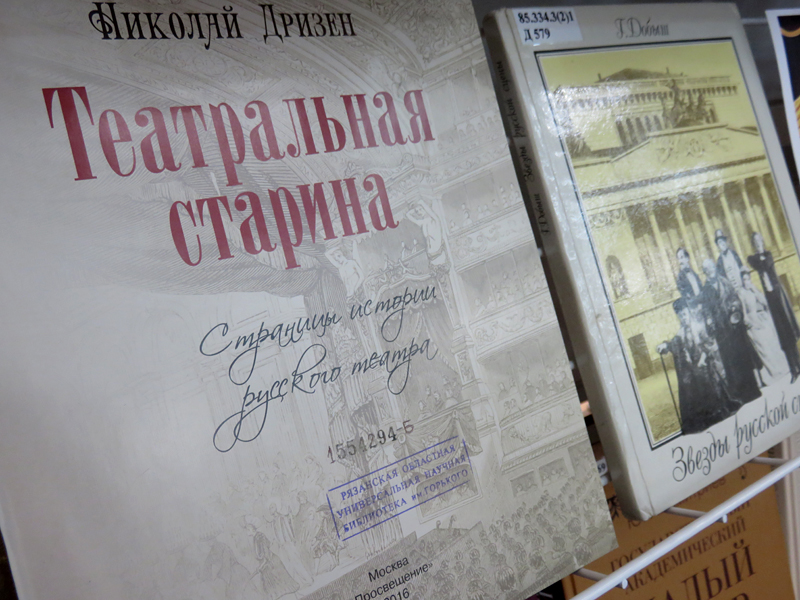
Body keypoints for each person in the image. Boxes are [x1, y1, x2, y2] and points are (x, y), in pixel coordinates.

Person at [657, 298, 732, 434]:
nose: (683, 318)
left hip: (705, 367)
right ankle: (704, 419)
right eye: (680, 316)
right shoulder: (681, 332)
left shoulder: (698, 327)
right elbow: (675, 344)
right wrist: (665, 345)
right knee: (695, 392)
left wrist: (703, 358)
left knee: (712, 392)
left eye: (685, 314)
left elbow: (708, 343)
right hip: (694, 371)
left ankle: (717, 415)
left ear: (689, 312)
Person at [700, 258, 761, 405]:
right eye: (707, 269)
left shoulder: (724, 282)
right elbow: (706, 311)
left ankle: (753, 390)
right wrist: (709, 321)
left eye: (712, 267)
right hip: (722, 332)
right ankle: (741, 396)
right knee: (731, 362)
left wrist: (734, 306)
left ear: (714, 267)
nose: (710, 270)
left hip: (735, 326)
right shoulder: (705, 290)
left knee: (743, 357)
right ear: (705, 272)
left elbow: (735, 297)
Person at [747, 231, 800, 381]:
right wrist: (761, 260)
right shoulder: (754, 258)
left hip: (778, 295)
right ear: (753, 244)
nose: (758, 244)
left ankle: (798, 364)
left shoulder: (769, 254)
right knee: (781, 333)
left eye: (759, 241)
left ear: (762, 241)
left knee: (789, 330)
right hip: (770, 299)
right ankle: (793, 370)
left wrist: (762, 260)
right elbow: (754, 263)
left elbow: (766, 264)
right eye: (755, 242)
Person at [740, 270, 790, 384]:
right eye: (744, 280)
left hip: (763, 319)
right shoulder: (742, 293)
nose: (746, 282)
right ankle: (774, 373)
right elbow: (744, 313)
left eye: (748, 279)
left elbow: (764, 303)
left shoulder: (753, 289)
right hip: (753, 323)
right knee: (764, 349)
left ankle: (783, 368)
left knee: (773, 344)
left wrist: (755, 291)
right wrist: (749, 322)